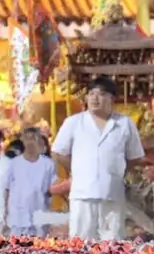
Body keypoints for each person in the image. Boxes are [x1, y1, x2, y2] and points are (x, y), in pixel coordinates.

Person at [51, 76, 145, 243]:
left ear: (112, 98)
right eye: (91, 94)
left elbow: (135, 156)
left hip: (112, 192)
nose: (94, 98)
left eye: (101, 94)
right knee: (81, 243)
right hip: (83, 193)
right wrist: (77, 169)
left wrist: (118, 171)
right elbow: (59, 152)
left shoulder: (124, 123)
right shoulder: (74, 122)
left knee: (112, 243)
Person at [3, 127, 56, 235]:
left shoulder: (48, 164)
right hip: (18, 217)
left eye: (33, 138)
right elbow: (7, 189)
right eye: (27, 138)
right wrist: (5, 214)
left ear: (39, 141)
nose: (30, 141)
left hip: (40, 215)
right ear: (22, 140)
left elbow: (53, 191)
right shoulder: (13, 164)